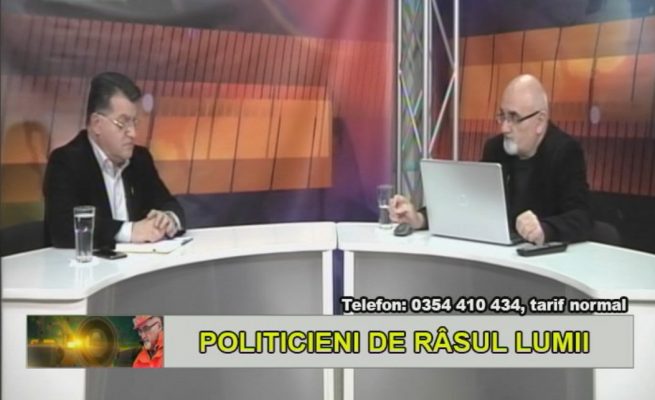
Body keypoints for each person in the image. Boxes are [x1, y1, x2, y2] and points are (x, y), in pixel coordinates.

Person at [390, 74, 592, 244]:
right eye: (502, 116)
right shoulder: (496, 149)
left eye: (514, 118)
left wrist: (545, 229)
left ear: (540, 122)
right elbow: (469, 199)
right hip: (498, 254)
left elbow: (582, 217)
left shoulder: (565, 151)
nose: (504, 128)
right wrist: (420, 218)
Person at [44, 72, 185, 248]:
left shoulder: (140, 159)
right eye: (122, 123)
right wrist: (130, 231)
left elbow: (169, 203)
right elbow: (62, 227)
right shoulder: (66, 162)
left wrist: (168, 219)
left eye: (134, 122)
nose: (133, 133)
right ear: (97, 124)